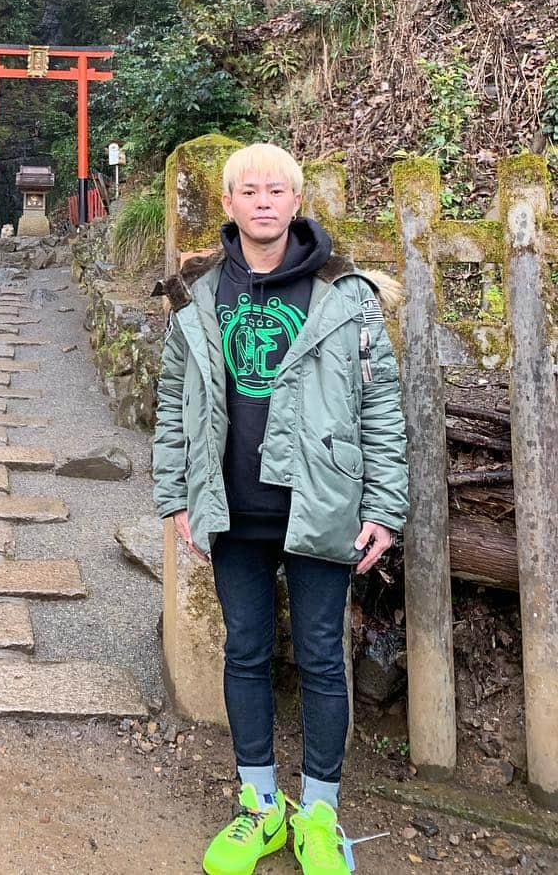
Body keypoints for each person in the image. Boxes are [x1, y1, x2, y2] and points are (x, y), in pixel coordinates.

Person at [152, 143, 408, 875]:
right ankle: (259, 807)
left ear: (297, 203)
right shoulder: (198, 294)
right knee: (246, 650)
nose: (263, 201)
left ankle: (319, 814)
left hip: (322, 502)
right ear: (228, 204)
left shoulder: (344, 293)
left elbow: (382, 406)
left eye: (277, 190)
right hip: (231, 508)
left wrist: (385, 507)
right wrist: (177, 494)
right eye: (248, 190)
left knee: (325, 656)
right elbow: (174, 403)